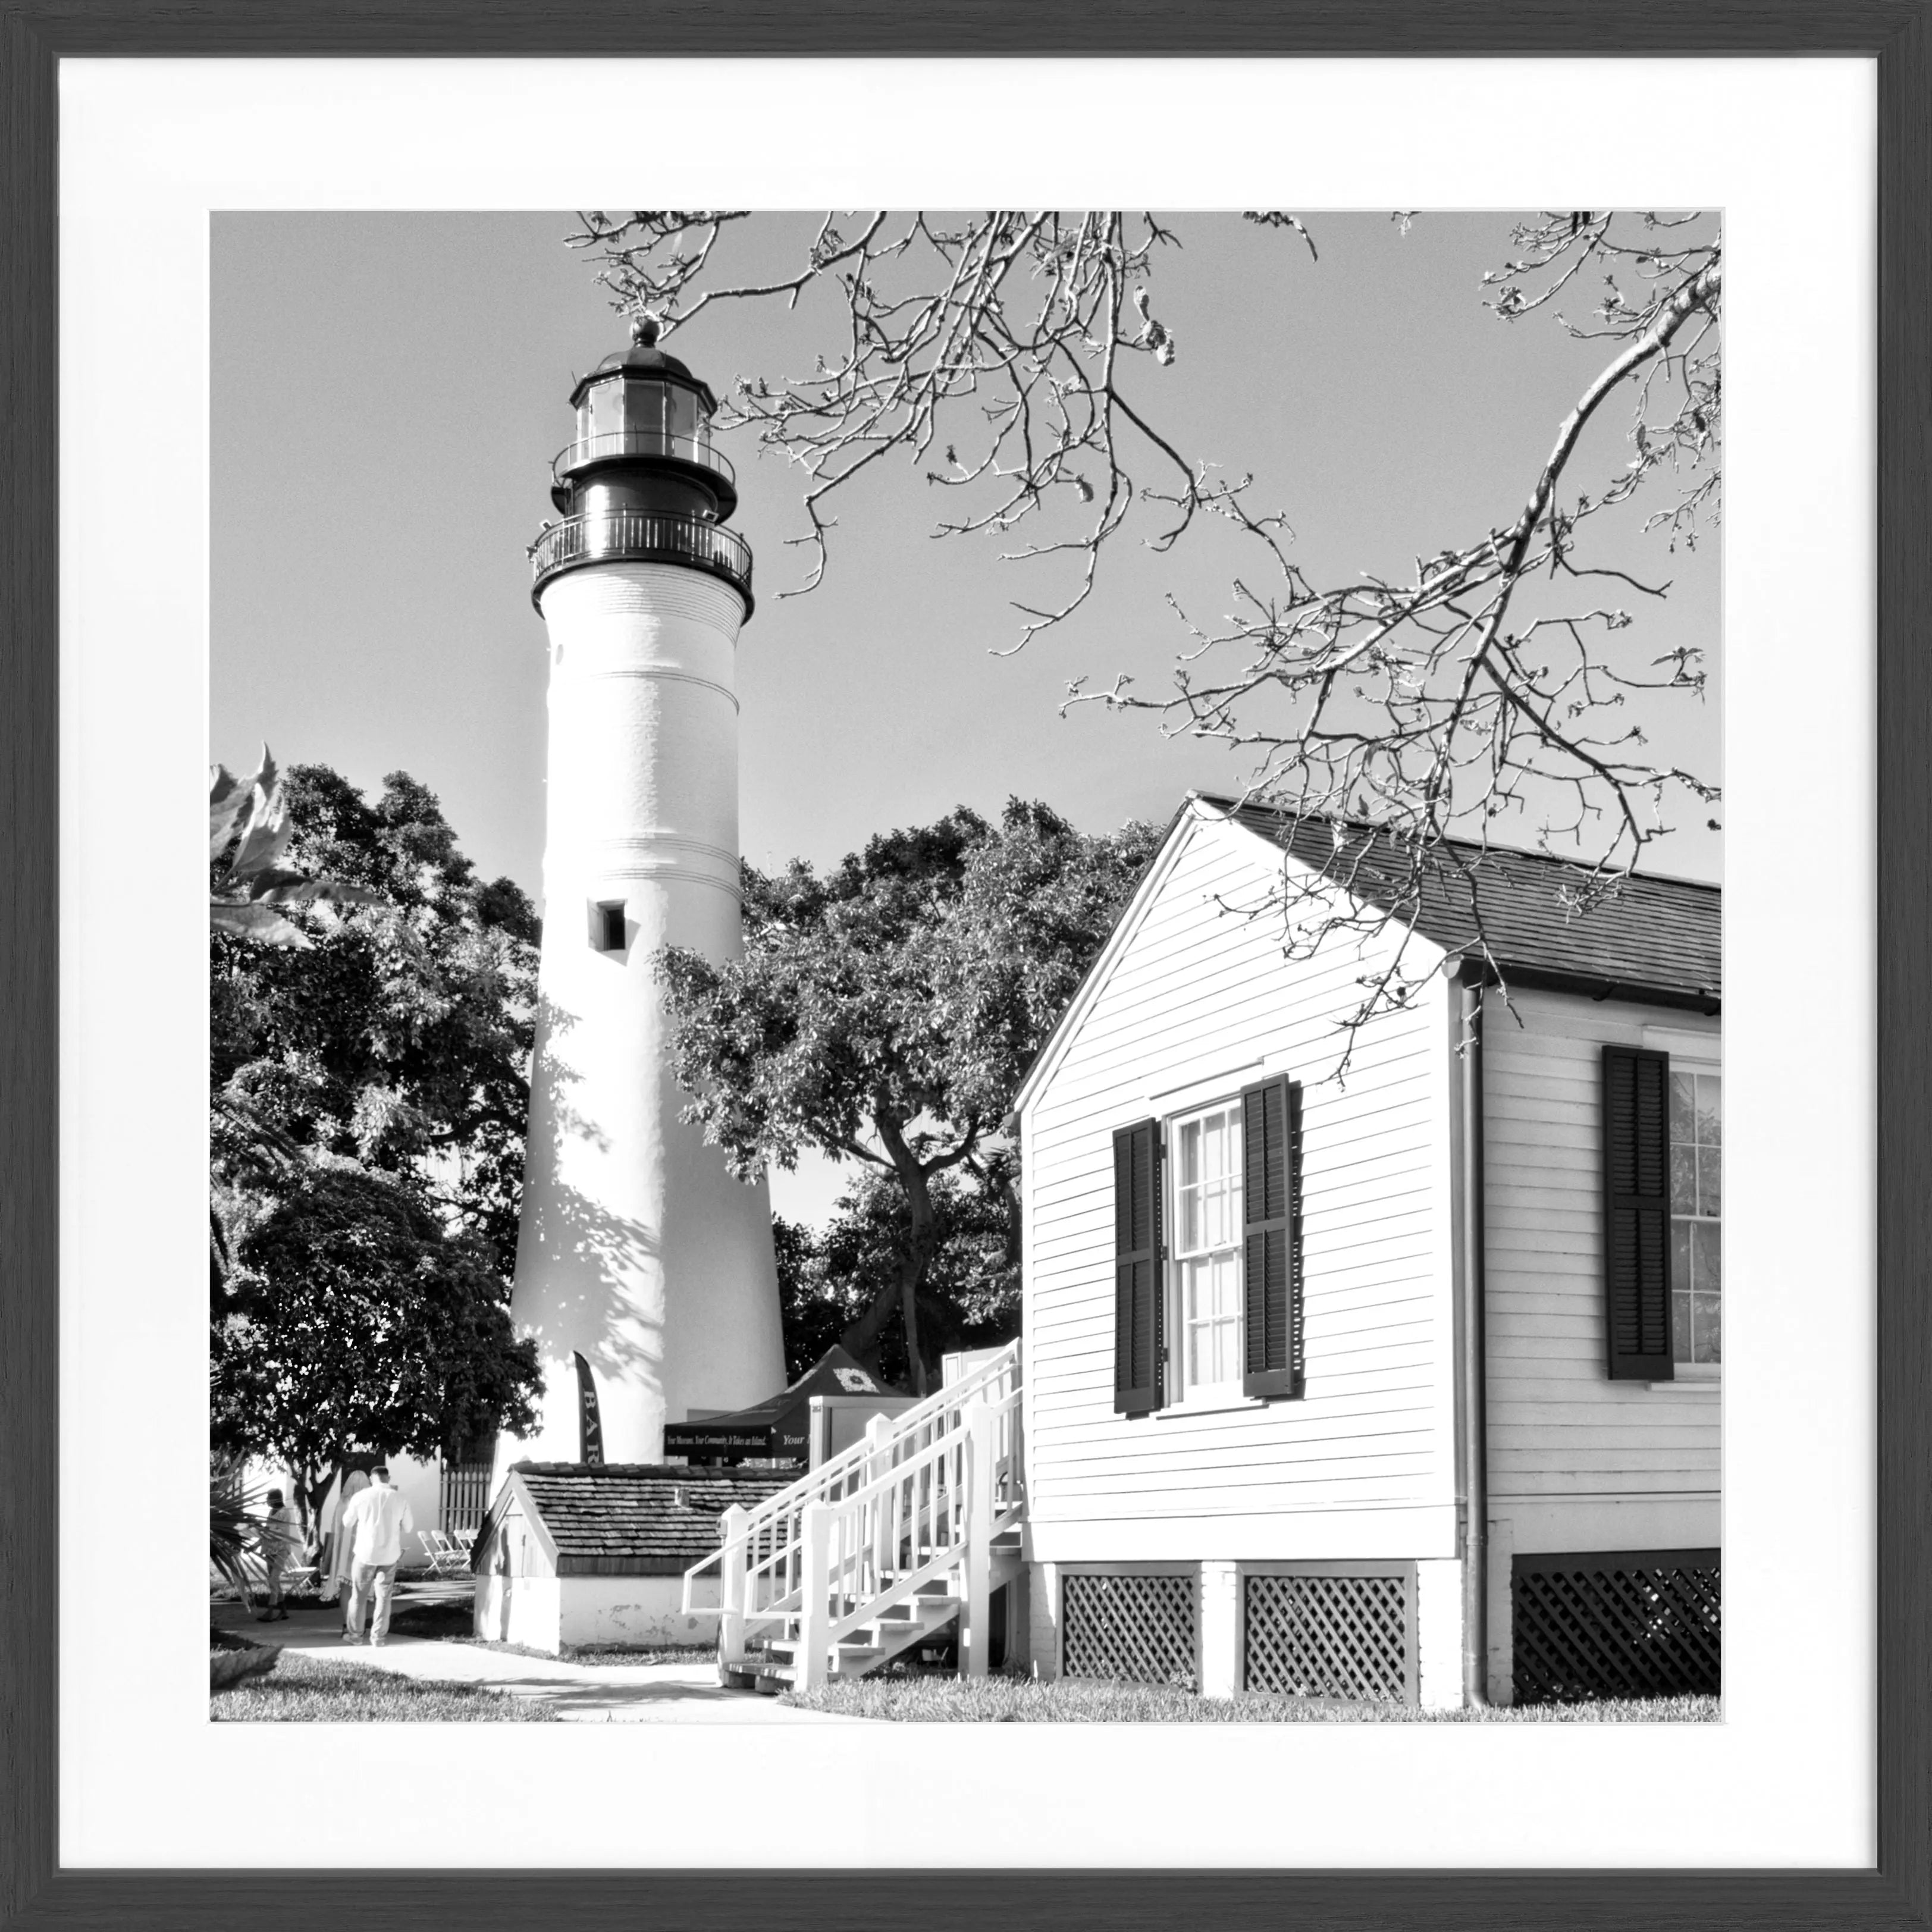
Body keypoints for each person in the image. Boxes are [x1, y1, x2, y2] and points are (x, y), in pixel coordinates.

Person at [338, 1463, 414, 1646]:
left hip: (365, 1553)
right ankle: (378, 1638)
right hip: (389, 1555)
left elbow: (347, 1523)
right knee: (384, 1597)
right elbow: (408, 1527)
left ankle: (356, 1636)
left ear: (373, 1478)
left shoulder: (361, 1497)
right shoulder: (400, 1498)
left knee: (358, 1596)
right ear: (388, 1478)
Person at [321, 1463, 369, 1614]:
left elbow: (336, 1528)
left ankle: (347, 1624)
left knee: (345, 1587)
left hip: (344, 1549)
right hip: (362, 1549)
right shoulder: (368, 1503)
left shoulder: (341, 1503)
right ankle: (357, 1624)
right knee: (361, 1587)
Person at [256, 1487, 301, 1622]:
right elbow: (267, 1532)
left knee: (273, 1579)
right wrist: (256, 1544)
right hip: (270, 1550)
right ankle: (283, 1611)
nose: (267, 1501)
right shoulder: (272, 1512)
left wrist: (263, 1529)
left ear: (275, 1499)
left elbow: (277, 1532)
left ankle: (270, 1611)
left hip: (281, 1550)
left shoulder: (284, 1513)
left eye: (268, 1498)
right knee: (274, 1581)